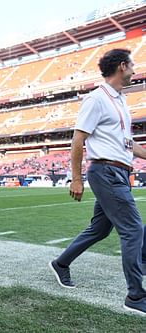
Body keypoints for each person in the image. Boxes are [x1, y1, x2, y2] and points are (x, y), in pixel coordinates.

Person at [48, 48, 146, 315]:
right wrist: (76, 178)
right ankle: (136, 296)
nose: (136, 70)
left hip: (120, 172)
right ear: (122, 66)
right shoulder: (96, 99)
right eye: (133, 65)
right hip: (105, 172)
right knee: (133, 230)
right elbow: (78, 138)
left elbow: (127, 143)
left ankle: (61, 263)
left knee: (100, 230)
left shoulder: (121, 102)